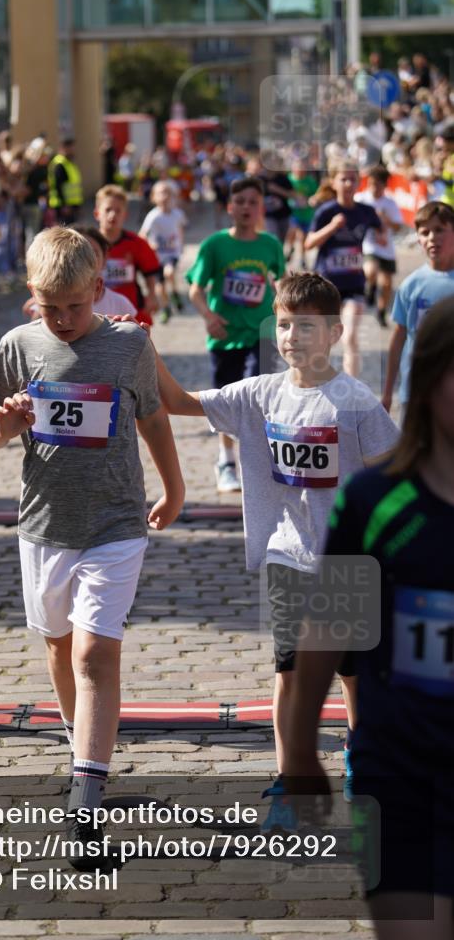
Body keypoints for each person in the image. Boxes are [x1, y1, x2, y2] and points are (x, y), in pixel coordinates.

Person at [0, 227, 184, 867]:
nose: (63, 319)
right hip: (44, 525)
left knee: (96, 653)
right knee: (60, 648)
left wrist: (174, 487)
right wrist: (4, 425)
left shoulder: (128, 345)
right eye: (49, 306)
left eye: (74, 304)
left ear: (99, 290)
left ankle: (85, 803)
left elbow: (153, 416)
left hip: (116, 524)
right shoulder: (17, 345)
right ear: (31, 297)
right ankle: (81, 749)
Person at [153, 272, 398, 810]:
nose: (292, 337)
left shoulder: (354, 402)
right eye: (284, 325)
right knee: (289, 671)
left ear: (335, 332)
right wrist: (140, 341)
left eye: (306, 327)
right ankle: (291, 778)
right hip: (286, 555)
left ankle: (364, 760)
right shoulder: (259, 395)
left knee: (353, 675)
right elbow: (175, 401)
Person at [283, 296, 454, 939]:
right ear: (430, 376)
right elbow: (327, 629)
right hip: (400, 773)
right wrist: (300, 748)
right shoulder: (376, 501)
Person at [185, 176, 285, 493]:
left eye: (252, 202)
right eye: (239, 202)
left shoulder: (270, 245)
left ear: (261, 208)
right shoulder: (214, 245)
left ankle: (257, 459)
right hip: (225, 334)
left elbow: (281, 284)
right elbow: (195, 289)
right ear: (230, 207)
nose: (246, 207)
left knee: (260, 395)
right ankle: (226, 460)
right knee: (226, 401)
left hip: (262, 332)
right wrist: (209, 316)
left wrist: (285, 316)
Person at [305, 161, 385, 378]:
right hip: (326, 285)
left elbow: (382, 233)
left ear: (360, 182)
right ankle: (317, 381)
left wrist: (380, 237)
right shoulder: (326, 211)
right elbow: (308, 243)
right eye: (343, 179)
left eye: (353, 179)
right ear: (333, 182)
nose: (349, 183)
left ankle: (352, 387)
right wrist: (332, 227)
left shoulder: (366, 211)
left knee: (349, 336)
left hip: (354, 284)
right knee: (322, 339)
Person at [382, 202, 454, 416]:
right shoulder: (411, 285)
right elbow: (398, 338)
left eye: (440, 229)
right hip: (415, 392)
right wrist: (387, 393)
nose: (432, 237)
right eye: (425, 232)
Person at [21, 225, 137, 321]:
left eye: (93, 253)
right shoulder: (45, 302)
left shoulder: (120, 304)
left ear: (105, 258)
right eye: (78, 254)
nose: (87, 260)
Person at [94, 184, 161, 325]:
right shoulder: (86, 244)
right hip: (94, 313)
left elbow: (150, 272)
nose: (113, 215)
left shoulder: (136, 243)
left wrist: (152, 295)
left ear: (125, 215)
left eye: (118, 211)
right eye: (108, 210)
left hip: (129, 312)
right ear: (97, 214)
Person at [355, 165, 404, 327]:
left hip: (386, 247)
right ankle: (370, 286)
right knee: (370, 270)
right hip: (368, 244)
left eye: (377, 184)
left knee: (387, 284)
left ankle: (381, 312)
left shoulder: (390, 203)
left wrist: (385, 219)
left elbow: (398, 227)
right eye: (370, 184)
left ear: (384, 185)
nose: (373, 188)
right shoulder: (361, 199)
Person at [139, 179, 187, 323]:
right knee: (160, 287)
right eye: (161, 193)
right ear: (154, 197)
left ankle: (175, 293)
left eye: (168, 193)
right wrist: (149, 244)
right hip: (157, 255)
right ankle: (166, 308)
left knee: (169, 272)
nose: (165, 196)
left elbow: (180, 229)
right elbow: (142, 235)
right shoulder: (153, 216)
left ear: (174, 197)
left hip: (172, 253)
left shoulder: (178, 214)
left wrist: (181, 245)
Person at [47, 136, 83, 224]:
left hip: (71, 204)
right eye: (70, 148)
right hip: (62, 206)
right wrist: (64, 205)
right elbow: (58, 185)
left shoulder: (68, 163)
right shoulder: (59, 164)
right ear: (63, 148)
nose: (73, 150)